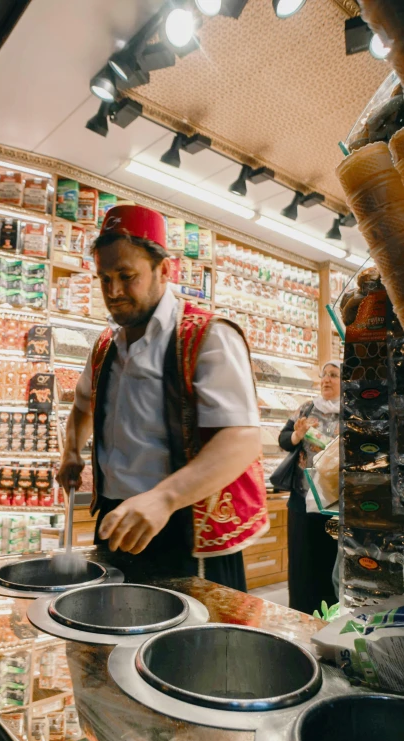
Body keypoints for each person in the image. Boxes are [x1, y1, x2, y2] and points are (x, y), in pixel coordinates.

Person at [57, 204, 269, 589]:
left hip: (186, 529)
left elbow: (242, 438)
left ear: (165, 271)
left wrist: (164, 498)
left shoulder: (208, 336)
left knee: (194, 644)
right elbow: (82, 406)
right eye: (104, 278)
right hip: (116, 521)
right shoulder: (105, 345)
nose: (114, 292)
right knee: (109, 637)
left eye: (127, 276)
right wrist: (71, 450)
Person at [278, 361, 341, 614]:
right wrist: (297, 435)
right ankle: (300, 614)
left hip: (334, 504)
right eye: (324, 375)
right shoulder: (306, 408)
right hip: (302, 500)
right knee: (302, 563)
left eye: (334, 375)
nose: (326, 379)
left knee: (329, 563)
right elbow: (284, 439)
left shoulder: (352, 411)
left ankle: (329, 617)